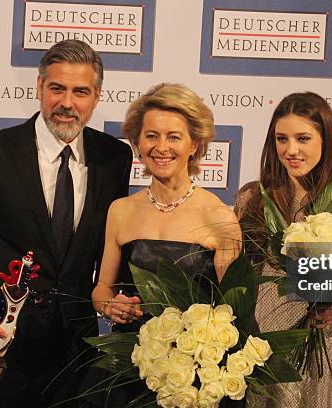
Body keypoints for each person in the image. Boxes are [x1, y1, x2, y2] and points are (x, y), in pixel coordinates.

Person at [0, 39, 131, 407]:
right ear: (40, 87)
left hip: (74, 357)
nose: (67, 103)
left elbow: (114, 243)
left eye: (80, 91)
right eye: (57, 88)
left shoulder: (114, 157)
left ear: (97, 96)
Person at [89, 82, 241, 404]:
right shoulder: (120, 210)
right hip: (129, 368)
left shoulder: (219, 216)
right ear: (137, 142)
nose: (162, 147)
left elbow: (235, 312)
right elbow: (101, 288)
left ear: (195, 144)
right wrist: (111, 306)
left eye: (174, 137)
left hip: (193, 382)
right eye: (151, 136)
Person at [234, 92, 332, 408]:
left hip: (325, 343)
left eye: (303, 138)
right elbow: (238, 278)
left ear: (326, 141)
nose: (291, 150)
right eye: (282, 138)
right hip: (265, 340)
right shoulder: (251, 199)